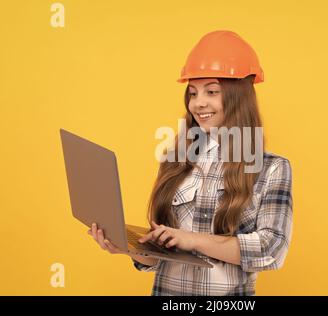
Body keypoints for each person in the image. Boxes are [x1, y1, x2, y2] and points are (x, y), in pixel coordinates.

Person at [88, 30, 293, 296]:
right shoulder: (175, 160)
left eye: (212, 91)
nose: (198, 103)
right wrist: (130, 248)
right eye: (193, 93)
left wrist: (192, 239)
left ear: (238, 96)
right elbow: (162, 256)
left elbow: (271, 250)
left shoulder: (271, 169)